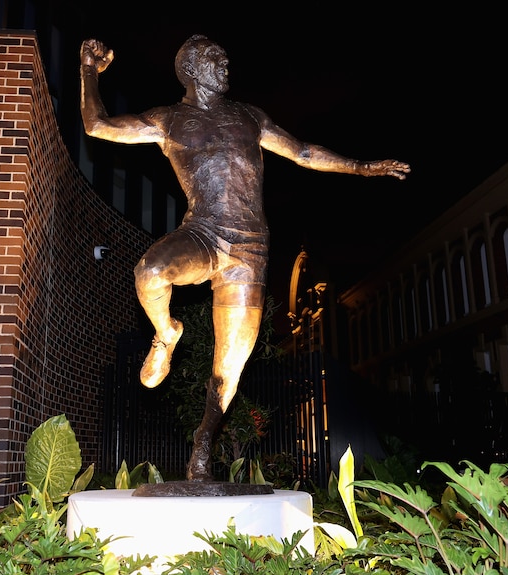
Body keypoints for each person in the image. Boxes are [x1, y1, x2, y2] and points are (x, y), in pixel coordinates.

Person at [80, 35, 410, 481]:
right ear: (192, 69)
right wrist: (88, 72)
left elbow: (304, 152)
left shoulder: (249, 117)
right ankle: (166, 333)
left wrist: (361, 166)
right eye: (217, 59)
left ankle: (202, 443)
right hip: (202, 233)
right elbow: (97, 126)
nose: (227, 64)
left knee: (228, 366)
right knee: (151, 271)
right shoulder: (168, 120)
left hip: (249, 249)